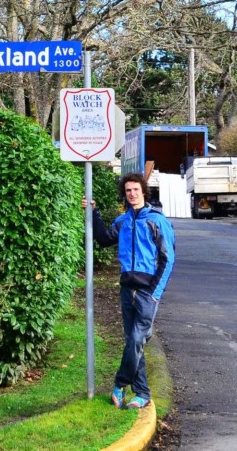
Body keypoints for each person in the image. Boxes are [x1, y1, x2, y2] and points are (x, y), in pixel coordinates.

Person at [82, 172, 175, 410]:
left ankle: (119, 384)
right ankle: (142, 393)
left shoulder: (156, 220)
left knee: (136, 339)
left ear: (144, 191)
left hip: (147, 292)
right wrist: (93, 213)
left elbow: (169, 258)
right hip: (126, 289)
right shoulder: (123, 221)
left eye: (136, 190)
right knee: (133, 342)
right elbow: (103, 239)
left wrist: (155, 292)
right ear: (125, 194)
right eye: (128, 191)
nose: (132, 194)